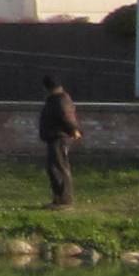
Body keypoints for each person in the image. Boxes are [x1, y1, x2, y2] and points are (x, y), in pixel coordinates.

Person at [38, 75, 84, 207]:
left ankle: (64, 200)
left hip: (59, 137)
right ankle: (59, 199)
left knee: (59, 168)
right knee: (54, 168)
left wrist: (74, 129)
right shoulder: (56, 99)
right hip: (54, 137)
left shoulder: (60, 100)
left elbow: (66, 116)